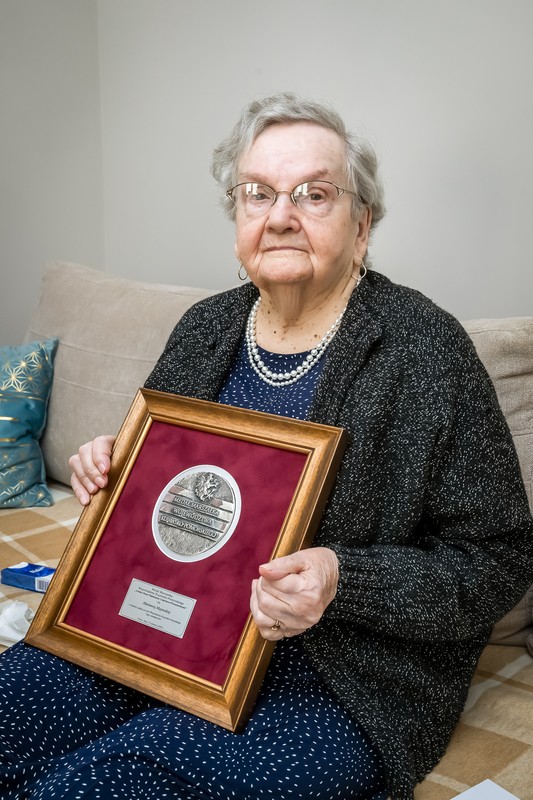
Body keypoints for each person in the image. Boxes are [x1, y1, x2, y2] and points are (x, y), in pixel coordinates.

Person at [1, 93, 532, 800]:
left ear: (362, 223)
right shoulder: (205, 328)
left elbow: (497, 559)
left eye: (313, 194)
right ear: (238, 218)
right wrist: (113, 470)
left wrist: (345, 580)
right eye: (258, 194)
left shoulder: (423, 349)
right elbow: (165, 486)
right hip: (156, 633)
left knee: (100, 786)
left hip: (335, 676)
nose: (280, 214)